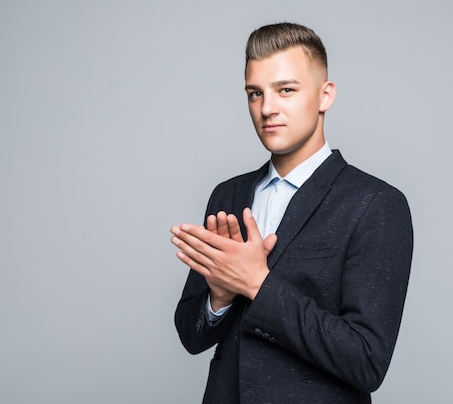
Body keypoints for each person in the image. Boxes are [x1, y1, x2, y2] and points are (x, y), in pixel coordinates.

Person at [170, 22, 413, 404]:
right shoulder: (228, 195)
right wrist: (219, 298)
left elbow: (367, 360)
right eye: (255, 93)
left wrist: (257, 285)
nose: (267, 108)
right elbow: (191, 335)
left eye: (286, 90)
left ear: (325, 95)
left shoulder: (376, 204)